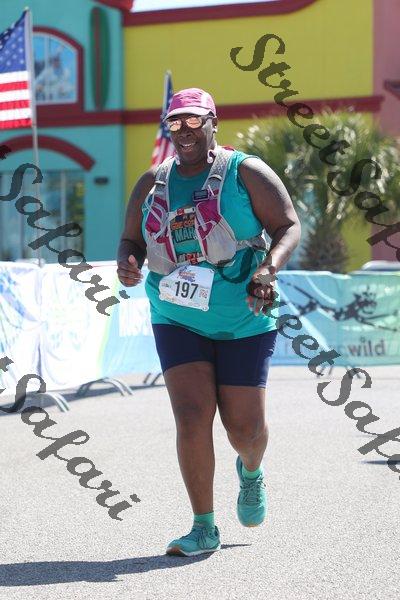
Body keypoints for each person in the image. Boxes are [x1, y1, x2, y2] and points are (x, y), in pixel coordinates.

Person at [117, 88, 301, 557]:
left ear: (213, 123)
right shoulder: (152, 182)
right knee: (191, 415)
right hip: (175, 314)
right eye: (175, 123)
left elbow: (288, 225)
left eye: (194, 121)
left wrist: (268, 269)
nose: (184, 131)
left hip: (244, 315)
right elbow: (130, 240)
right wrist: (128, 263)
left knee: (245, 431)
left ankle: (251, 470)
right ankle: (203, 527)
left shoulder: (247, 172)